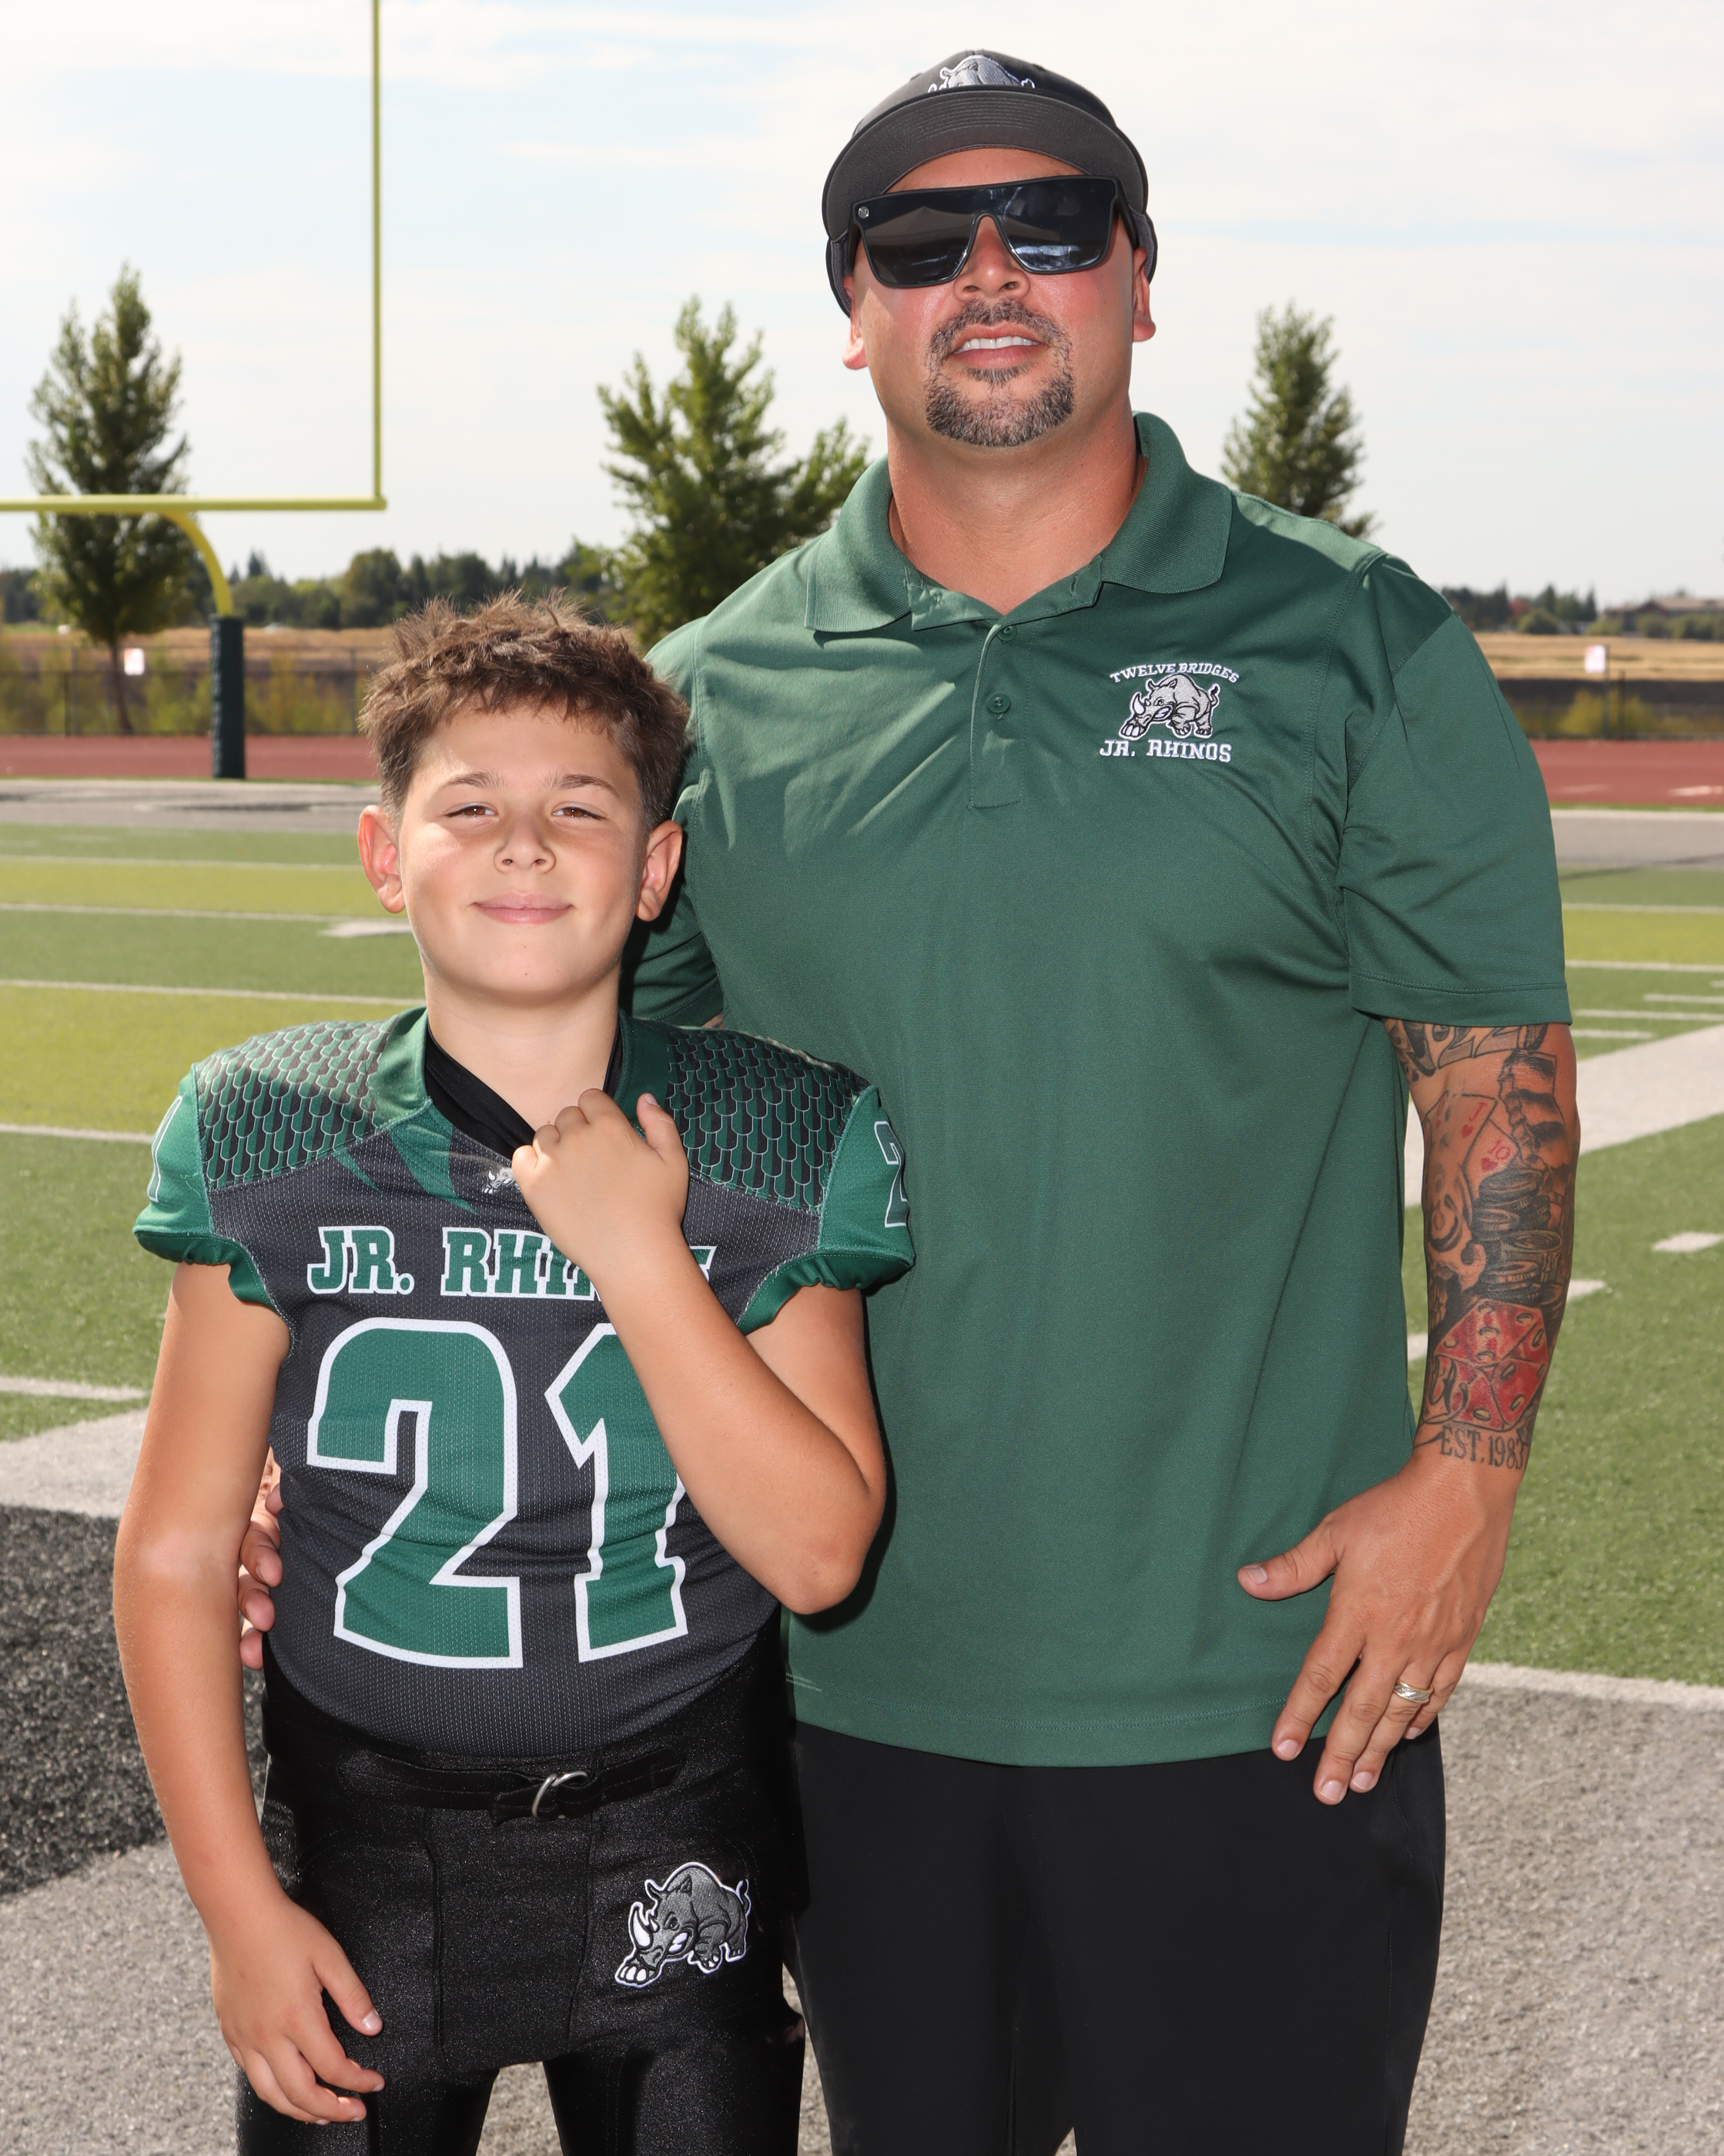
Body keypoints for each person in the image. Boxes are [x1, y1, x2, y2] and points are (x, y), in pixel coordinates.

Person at [241, 49, 1579, 2156]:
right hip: (822, 1692)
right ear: (852, 306)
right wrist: (304, 1435)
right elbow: (557, 1115)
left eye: (1052, 224)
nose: (990, 272)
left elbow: (1495, 1082)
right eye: (922, 238)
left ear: (1141, 277)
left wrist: (1470, 1472)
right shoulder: (717, 692)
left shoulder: (1352, 641)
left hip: (1250, 1674)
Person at [115, 596, 912, 2154]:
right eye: (470, 806)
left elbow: (820, 1554)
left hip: (674, 1830)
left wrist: (638, 1256)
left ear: (658, 867)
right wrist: (236, 1911)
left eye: (580, 808)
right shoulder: (270, 1125)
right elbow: (174, 1553)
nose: (525, 844)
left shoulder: (772, 1132)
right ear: (383, 853)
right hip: (367, 1848)